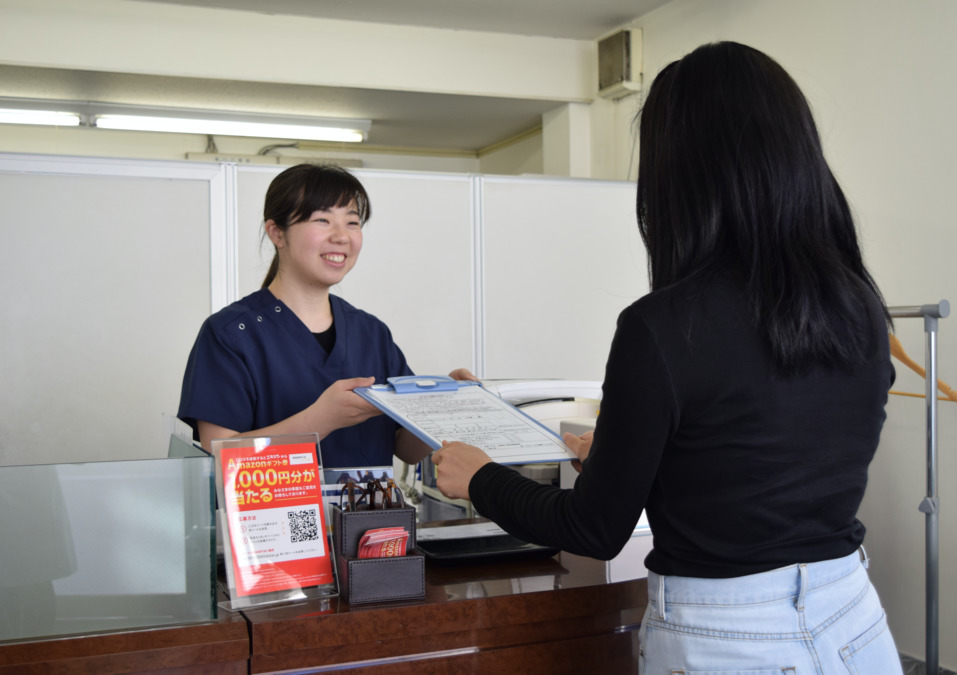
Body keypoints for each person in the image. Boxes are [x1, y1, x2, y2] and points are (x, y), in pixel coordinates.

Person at [432, 42, 903, 674]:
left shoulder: (662, 327)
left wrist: (479, 478)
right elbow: (765, 464)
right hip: (852, 620)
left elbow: (593, 529)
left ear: (681, 170)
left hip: (726, 639)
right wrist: (630, 458)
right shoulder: (859, 306)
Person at [179, 163, 472, 467]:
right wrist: (319, 420)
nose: (342, 236)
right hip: (275, 513)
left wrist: (443, 405)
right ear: (277, 233)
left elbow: (407, 450)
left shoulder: (371, 333)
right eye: (322, 219)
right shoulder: (231, 333)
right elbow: (221, 455)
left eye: (352, 222)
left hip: (371, 514)